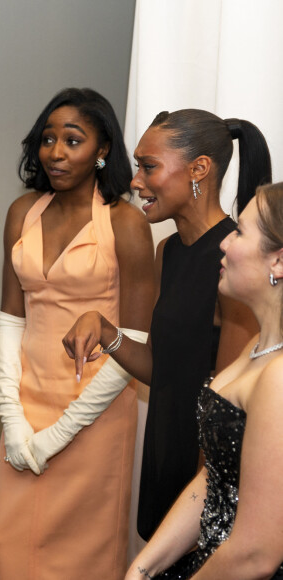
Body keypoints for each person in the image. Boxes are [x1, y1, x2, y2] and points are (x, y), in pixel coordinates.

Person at [63, 109, 272, 540]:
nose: (135, 180)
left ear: (199, 169)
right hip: (165, 452)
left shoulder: (233, 261)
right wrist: (105, 330)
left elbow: (227, 407)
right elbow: (162, 370)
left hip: (204, 475)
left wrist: (202, 507)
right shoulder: (169, 253)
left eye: (149, 166)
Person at [0, 87, 156, 579]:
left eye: (73, 140)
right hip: (24, 405)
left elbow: (136, 342)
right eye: (48, 138)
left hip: (94, 411)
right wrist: (11, 413)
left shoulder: (125, 224)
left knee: (82, 557)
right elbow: (10, 319)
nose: (56, 152)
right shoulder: (23, 212)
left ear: (102, 150)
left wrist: (60, 433)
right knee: (12, 547)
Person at [126, 182, 283, 579]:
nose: (225, 243)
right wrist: (142, 568)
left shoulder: (280, 377)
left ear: (279, 262)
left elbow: (256, 555)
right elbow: (217, 474)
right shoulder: (257, 347)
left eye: (241, 232)